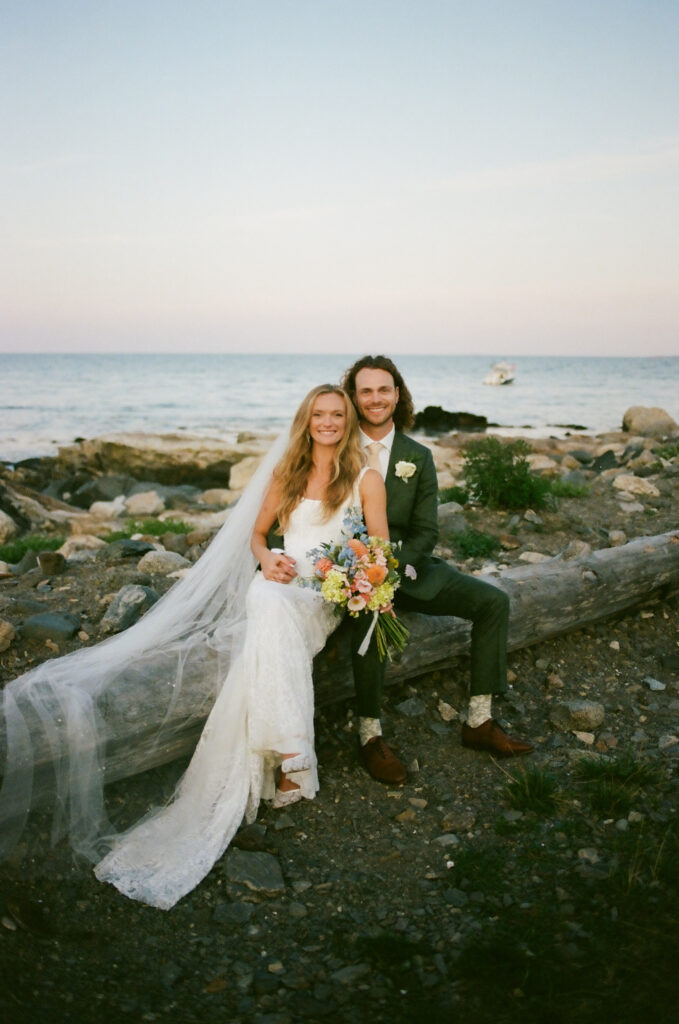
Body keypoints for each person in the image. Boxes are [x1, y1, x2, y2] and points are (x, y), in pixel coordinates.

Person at [0, 385, 388, 910]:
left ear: (347, 421)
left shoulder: (365, 478)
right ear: (306, 420)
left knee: (269, 608)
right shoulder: (287, 474)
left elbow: (378, 552)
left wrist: (359, 585)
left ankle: (290, 758)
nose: (328, 422)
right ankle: (293, 753)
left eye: (337, 414)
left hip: (324, 595)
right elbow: (257, 536)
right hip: (280, 584)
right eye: (319, 414)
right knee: (265, 596)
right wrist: (266, 559)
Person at [340, 355, 533, 784]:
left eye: (384, 389)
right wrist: (363, 576)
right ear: (353, 397)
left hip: (410, 569)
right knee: (370, 612)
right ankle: (370, 735)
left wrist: (389, 570)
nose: (375, 398)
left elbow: (427, 532)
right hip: (349, 574)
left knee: (492, 602)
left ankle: (479, 721)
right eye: (365, 390)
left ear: (397, 395)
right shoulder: (334, 446)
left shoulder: (418, 456)